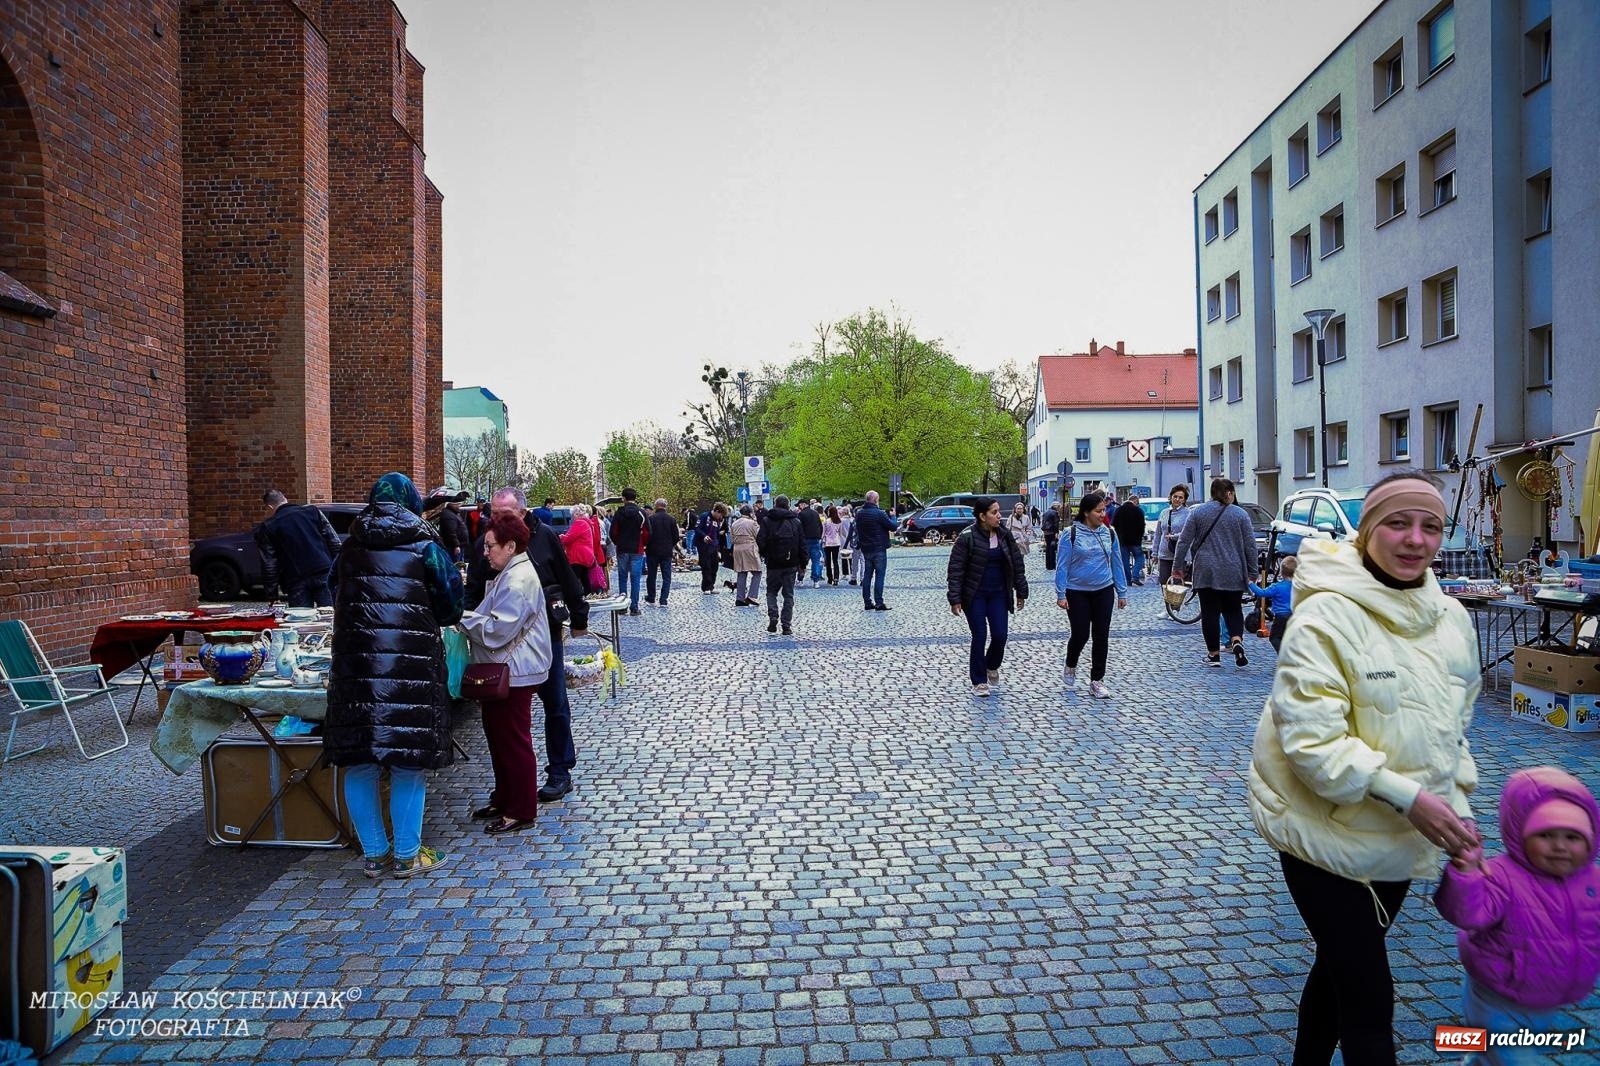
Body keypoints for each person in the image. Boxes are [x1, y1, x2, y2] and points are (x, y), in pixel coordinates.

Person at [1248, 471, 1480, 1064]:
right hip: (1319, 830)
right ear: (1367, 532)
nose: (1414, 539)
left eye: (1430, 526)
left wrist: (1454, 809)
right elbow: (1312, 743)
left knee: (1339, 972)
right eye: (1398, 523)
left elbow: (1450, 732)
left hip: (1395, 838)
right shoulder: (1325, 617)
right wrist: (1410, 797)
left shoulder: (1452, 618)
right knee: (1370, 993)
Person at [326, 472, 463, 878]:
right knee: (407, 762)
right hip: (409, 670)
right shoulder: (426, 546)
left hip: (357, 670)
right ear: (412, 503)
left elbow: (333, 591)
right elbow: (451, 607)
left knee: (360, 763)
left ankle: (374, 854)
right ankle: (407, 854)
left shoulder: (349, 547)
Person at [1436, 766, 1600, 1063]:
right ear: (1521, 835)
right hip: (1498, 995)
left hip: (1546, 997)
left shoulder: (1593, 883)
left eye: (1572, 837)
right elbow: (1468, 913)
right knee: (1510, 1055)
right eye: (1546, 835)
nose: (1560, 846)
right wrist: (1467, 873)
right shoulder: (1502, 877)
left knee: (1487, 1051)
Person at [466, 487, 589, 801]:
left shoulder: (544, 536)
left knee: (555, 703)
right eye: (492, 513)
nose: (495, 519)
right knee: (501, 717)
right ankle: (507, 785)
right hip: (500, 643)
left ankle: (560, 770)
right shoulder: (485, 543)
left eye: (503, 514)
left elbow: (567, 577)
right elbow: (474, 587)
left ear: (521, 512)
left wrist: (578, 618)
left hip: (543, 631)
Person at [457, 512, 553, 835]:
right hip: (507, 670)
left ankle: (521, 809)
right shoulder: (511, 571)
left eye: (490, 546)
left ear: (510, 546)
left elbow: (498, 629)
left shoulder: (517, 578)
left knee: (512, 741)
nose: (486, 553)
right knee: (498, 738)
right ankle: (504, 797)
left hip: (516, 671)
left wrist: (462, 620)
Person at [1171, 477, 1258, 668]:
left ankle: (1213, 654)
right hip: (1233, 570)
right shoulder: (1241, 515)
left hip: (1206, 570)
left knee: (1210, 612)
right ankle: (1236, 640)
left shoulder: (1198, 512)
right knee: (1233, 608)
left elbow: (1183, 541)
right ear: (1228, 493)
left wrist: (1177, 568)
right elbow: (1251, 547)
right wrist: (1253, 571)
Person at [947, 497, 1028, 697]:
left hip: (999, 593)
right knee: (980, 635)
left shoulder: (1004, 535)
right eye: (994, 512)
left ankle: (991, 664)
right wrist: (955, 598)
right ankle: (979, 680)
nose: (999, 516)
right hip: (975, 595)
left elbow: (1016, 564)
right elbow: (956, 570)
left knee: (1000, 635)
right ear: (982, 516)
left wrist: (1021, 591)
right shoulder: (967, 538)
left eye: (999, 511)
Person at [1054, 492, 1128, 699]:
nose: (1102, 514)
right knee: (1080, 634)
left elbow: (1117, 563)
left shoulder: (1110, 533)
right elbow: (1062, 566)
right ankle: (1071, 663)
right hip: (1076, 591)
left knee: (1101, 635)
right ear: (1086, 513)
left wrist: (1121, 591)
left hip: (1104, 589)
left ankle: (1097, 680)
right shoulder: (1071, 534)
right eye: (1098, 511)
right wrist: (1061, 594)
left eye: (1104, 510)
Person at [255, 489, 342, 607]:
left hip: (295, 578)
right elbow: (334, 541)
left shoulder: (269, 527)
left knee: (300, 620)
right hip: (323, 570)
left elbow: (269, 564)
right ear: (284, 499)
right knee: (330, 615)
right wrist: (340, 570)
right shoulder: (312, 511)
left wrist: (272, 594)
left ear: (270, 507)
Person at [756, 494, 804, 635]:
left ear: (775, 504)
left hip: (773, 564)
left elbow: (760, 540)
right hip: (791, 563)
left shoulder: (767, 520)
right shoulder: (796, 521)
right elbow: (802, 544)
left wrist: (766, 554)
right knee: (788, 595)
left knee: (771, 592)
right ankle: (786, 625)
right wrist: (803, 563)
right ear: (788, 505)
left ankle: (773, 615)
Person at [854, 490, 897, 611]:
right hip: (879, 548)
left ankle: (867, 602)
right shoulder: (879, 513)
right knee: (879, 575)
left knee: (867, 575)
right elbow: (893, 526)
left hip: (866, 548)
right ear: (875, 500)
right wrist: (893, 516)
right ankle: (879, 602)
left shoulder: (859, 513)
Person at [1249, 555, 1298, 651]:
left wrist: (1250, 583)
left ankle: (1285, 655)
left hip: (1280, 617)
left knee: (1274, 638)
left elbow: (1261, 593)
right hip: (1294, 616)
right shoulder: (1299, 587)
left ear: (1281, 572)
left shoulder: (1277, 587)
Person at [609, 489, 646, 615]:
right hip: (637, 549)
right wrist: (643, 544)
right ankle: (634, 607)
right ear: (635, 498)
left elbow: (613, 532)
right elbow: (648, 532)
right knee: (635, 579)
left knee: (622, 578)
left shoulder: (619, 513)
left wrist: (618, 542)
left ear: (624, 498)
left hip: (622, 548)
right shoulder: (641, 513)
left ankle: (622, 606)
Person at [560, 503, 606, 594]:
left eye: (572, 515)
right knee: (584, 578)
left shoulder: (579, 523)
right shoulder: (587, 522)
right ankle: (588, 595)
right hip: (586, 555)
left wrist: (561, 537)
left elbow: (568, 539)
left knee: (573, 579)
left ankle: (575, 598)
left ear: (576, 514)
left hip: (578, 556)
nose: (572, 518)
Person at [1152, 485, 1192, 586]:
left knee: (1178, 584)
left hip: (1179, 554)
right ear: (1171, 497)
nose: (1177, 499)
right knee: (1164, 583)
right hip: (1164, 553)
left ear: (1184, 500)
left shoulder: (1188, 513)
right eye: (1175, 496)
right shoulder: (1164, 513)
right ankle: (1167, 602)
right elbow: (1158, 534)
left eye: (1180, 497)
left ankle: (1175, 602)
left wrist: (1174, 536)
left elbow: (1189, 533)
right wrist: (1155, 553)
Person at [644, 498, 679, 607]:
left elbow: (647, 535)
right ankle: (663, 599)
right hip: (666, 552)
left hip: (652, 551)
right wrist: (670, 545)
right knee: (666, 577)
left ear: (656, 506)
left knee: (651, 575)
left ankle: (651, 597)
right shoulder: (672, 520)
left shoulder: (651, 519)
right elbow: (676, 537)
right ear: (665, 506)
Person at [425, 486, 472, 564]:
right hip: (453, 547)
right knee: (456, 565)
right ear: (453, 504)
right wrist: (456, 545)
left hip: (458, 546)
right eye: (459, 504)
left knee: (459, 565)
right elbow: (451, 532)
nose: (460, 506)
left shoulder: (453, 514)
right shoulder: (448, 515)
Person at [1109, 492, 1147, 585]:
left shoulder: (1119, 510)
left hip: (1122, 540)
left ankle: (1128, 580)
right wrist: (1140, 536)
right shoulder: (1139, 511)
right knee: (1140, 558)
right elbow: (1142, 526)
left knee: (1124, 560)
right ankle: (1135, 575)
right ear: (1134, 502)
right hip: (1136, 540)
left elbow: (1113, 524)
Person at [730, 504, 762, 606]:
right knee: (757, 572)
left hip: (737, 548)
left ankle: (740, 598)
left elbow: (731, 538)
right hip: (750, 548)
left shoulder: (734, 523)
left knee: (741, 572)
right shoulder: (752, 523)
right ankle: (751, 596)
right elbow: (758, 535)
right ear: (750, 513)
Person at [694, 504, 728, 593]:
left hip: (714, 546)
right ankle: (706, 587)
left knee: (714, 567)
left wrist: (719, 549)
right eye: (720, 515)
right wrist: (704, 536)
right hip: (703, 546)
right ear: (717, 511)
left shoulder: (717, 520)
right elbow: (697, 528)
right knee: (706, 566)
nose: (721, 517)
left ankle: (711, 586)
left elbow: (717, 535)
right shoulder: (704, 516)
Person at [797, 498, 825, 589]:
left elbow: (799, 528)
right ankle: (816, 581)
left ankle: (800, 579)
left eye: (799, 505)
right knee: (816, 561)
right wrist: (819, 536)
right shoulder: (815, 513)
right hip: (815, 539)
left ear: (804, 504)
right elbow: (820, 527)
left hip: (805, 540)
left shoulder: (801, 514)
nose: (799, 507)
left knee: (803, 560)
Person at [821, 505, 845, 586]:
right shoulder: (839, 521)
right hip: (836, 542)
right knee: (835, 561)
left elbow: (823, 533)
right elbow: (840, 533)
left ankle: (830, 578)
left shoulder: (826, 521)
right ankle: (836, 578)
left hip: (828, 543)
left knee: (828, 561)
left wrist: (821, 540)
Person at [1040, 502, 1062, 571]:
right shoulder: (1055, 513)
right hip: (1052, 531)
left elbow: (1043, 522)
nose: (1059, 508)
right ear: (1056, 507)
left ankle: (1048, 565)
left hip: (1046, 532)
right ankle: (1052, 565)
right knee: (1052, 548)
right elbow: (1056, 524)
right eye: (1059, 507)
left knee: (1048, 548)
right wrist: (1057, 532)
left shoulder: (1046, 512)